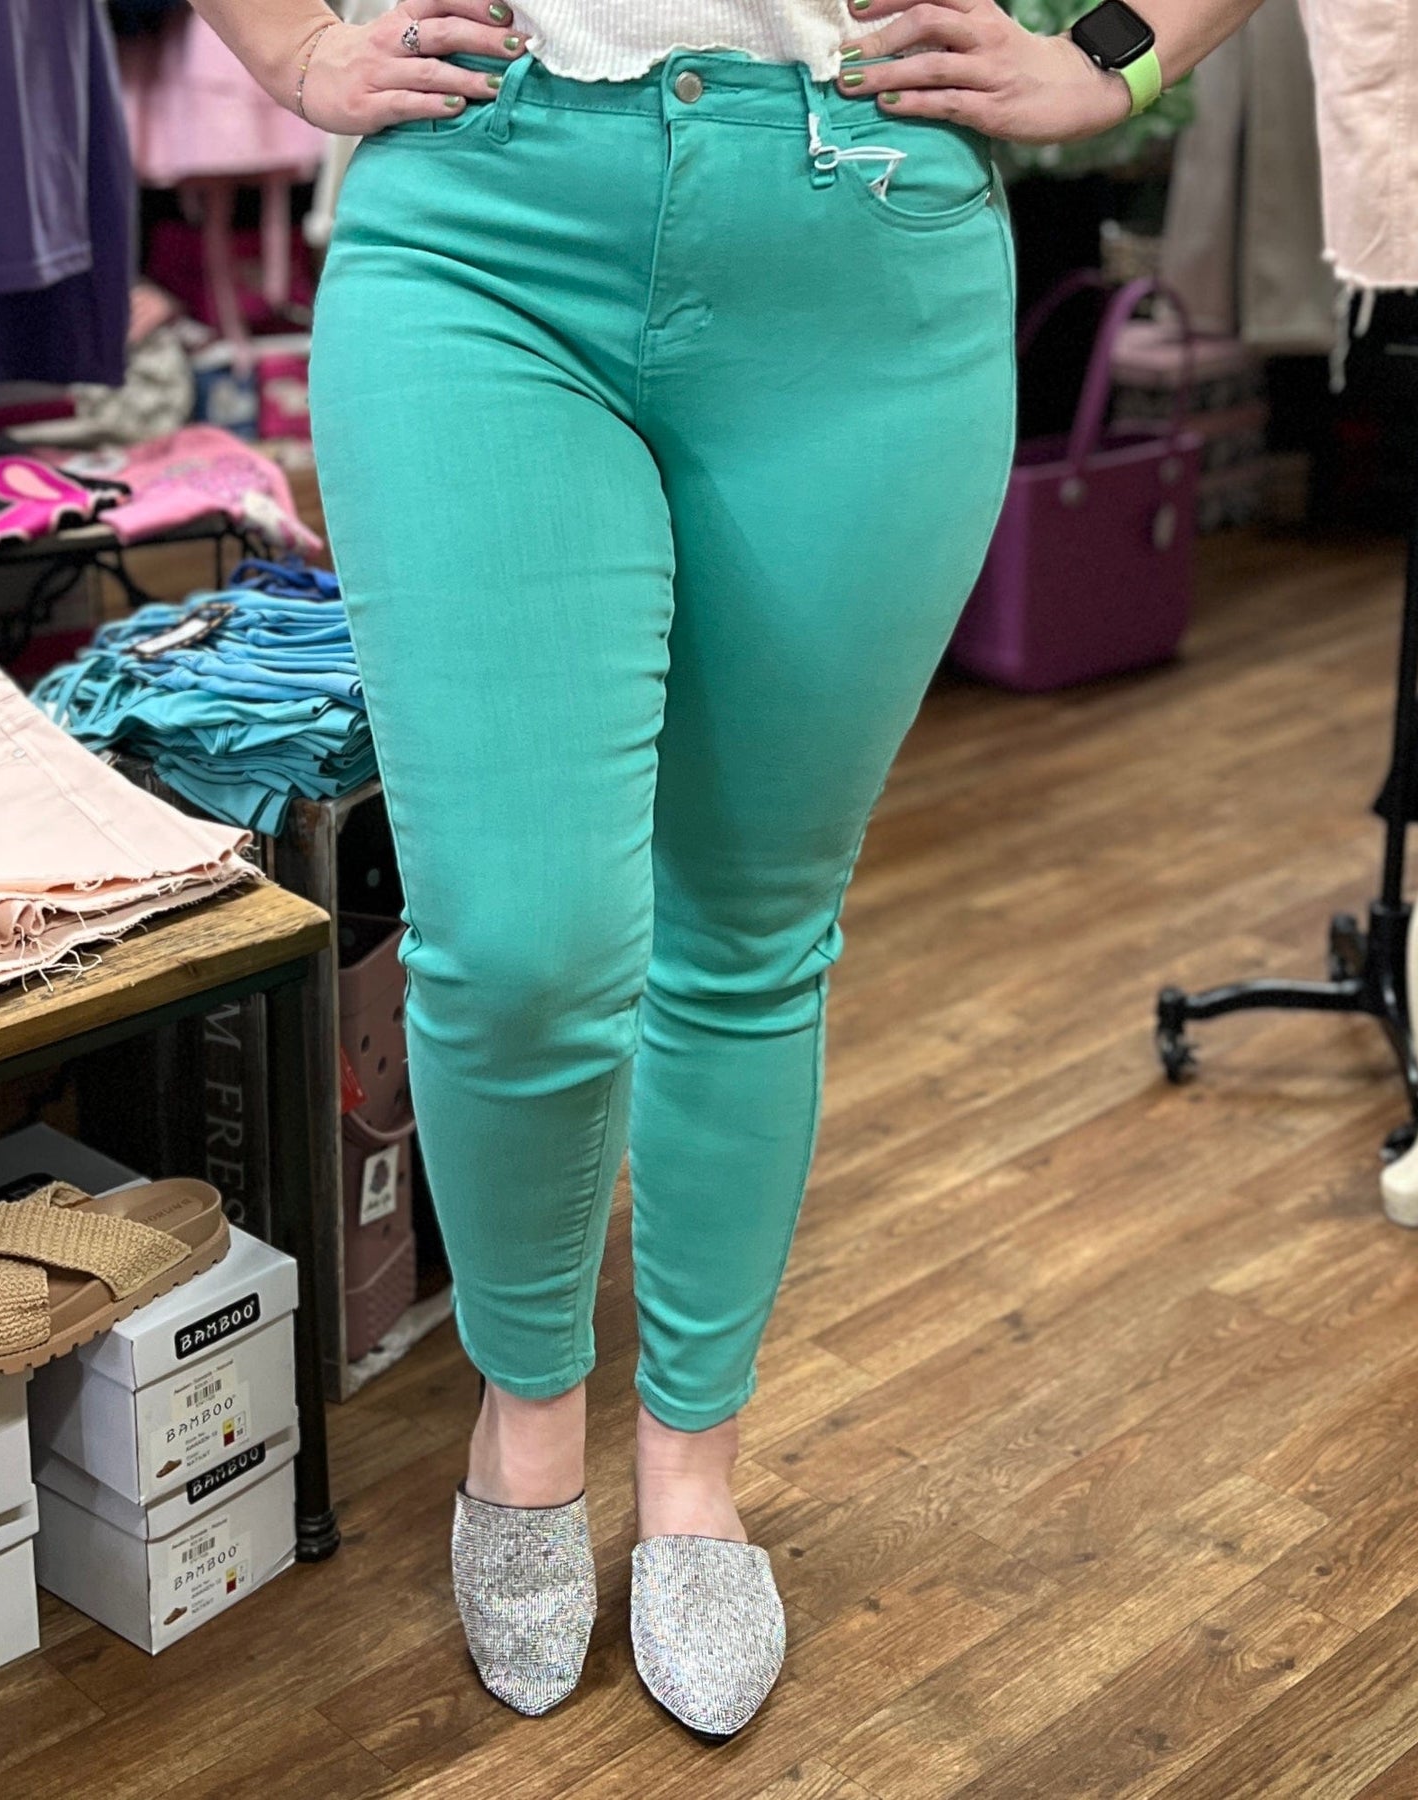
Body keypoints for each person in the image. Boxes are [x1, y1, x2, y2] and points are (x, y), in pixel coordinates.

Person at [191, 0, 1264, 1740]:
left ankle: (694, 1459)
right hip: (482, 219)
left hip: (868, 237)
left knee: (751, 931)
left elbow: (1122, 46)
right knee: (517, 943)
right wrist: (294, 49)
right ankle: (528, 1418)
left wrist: (1116, 54)